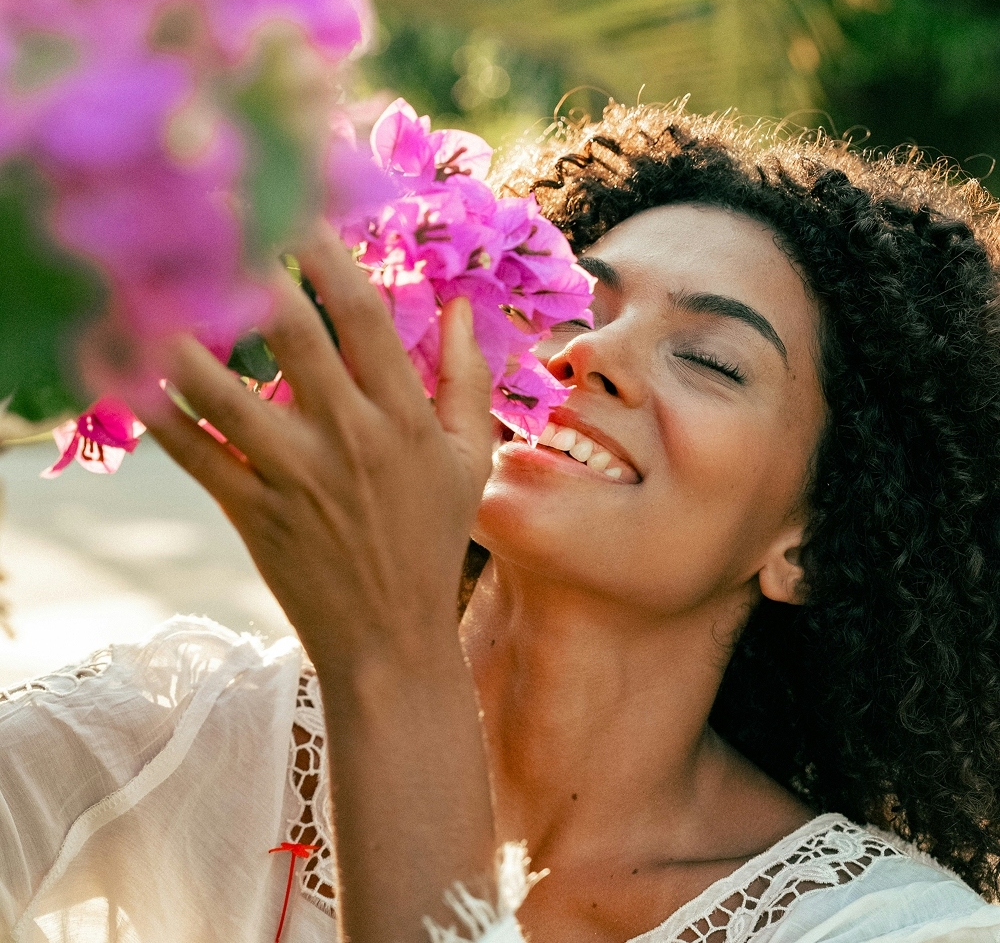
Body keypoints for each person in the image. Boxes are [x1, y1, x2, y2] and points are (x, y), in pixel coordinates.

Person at [3, 101, 1000, 943]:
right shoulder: (182, 735)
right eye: (575, 304)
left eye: (708, 359)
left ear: (813, 542)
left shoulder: (890, 927)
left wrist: (389, 656)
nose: (589, 353)